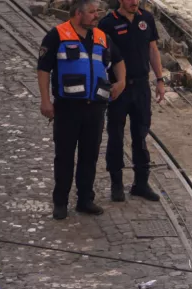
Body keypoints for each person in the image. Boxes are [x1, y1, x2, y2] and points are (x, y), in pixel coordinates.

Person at [37, 0, 126, 220]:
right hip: (68, 108)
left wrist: (121, 82)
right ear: (78, 14)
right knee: (65, 156)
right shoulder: (57, 35)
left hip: (95, 108)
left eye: (97, 11)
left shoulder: (101, 37)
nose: (97, 16)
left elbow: (118, 60)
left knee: (89, 156)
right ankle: (60, 202)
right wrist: (45, 101)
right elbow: (43, 69)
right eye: (92, 12)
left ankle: (85, 200)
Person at [98, 0, 165, 203]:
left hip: (142, 86)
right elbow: (100, 57)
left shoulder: (147, 18)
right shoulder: (108, 23)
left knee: (141, 135)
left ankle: (141, 183)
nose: (134, 2)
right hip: (119, 88)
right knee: (116, 135)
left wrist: (160, 80)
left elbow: (153, 49)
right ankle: (116, 183)